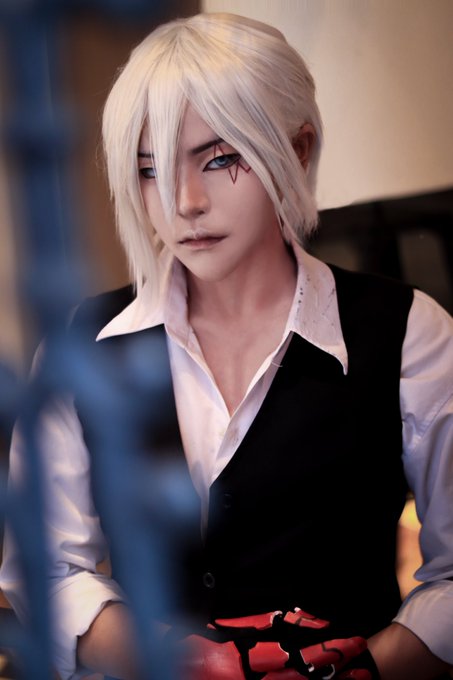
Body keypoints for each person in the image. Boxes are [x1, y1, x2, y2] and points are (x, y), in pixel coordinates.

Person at [1, 11, 453, 680]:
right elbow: (46, 568)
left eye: (219, 159)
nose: (184, 202)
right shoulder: (84, 342)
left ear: (298, 150)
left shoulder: (410, 332)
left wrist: (361, 671)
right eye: (150, 170)